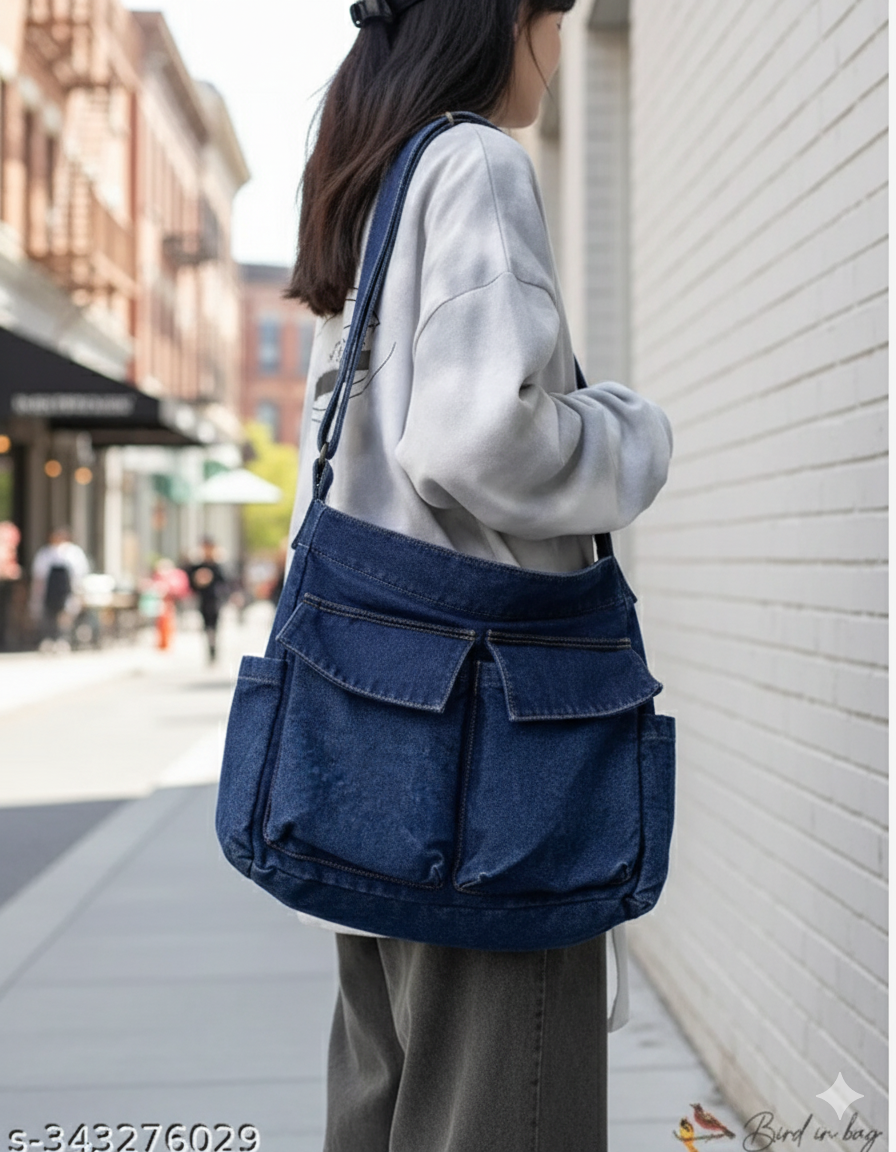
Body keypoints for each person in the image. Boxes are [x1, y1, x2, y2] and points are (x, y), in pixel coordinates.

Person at [285, 2, 673, 1148]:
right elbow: (477, 442)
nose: (555, 44)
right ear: (503, 20)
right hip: (490, 749)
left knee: (386, 1098)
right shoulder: (475, 162)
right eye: (552, 14)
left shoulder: (372, 178)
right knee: (510, 1102)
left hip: (369, 729)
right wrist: (629, 433)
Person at [29, 526, 89, 651]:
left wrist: (79, 593)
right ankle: (49, 639)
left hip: (67, 590)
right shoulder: (45, 553)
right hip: (49, 591)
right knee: (48, 616)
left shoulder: (73, 553)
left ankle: (63, 639)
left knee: (65, 617)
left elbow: (79, 574)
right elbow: (39, 576)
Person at [187, 537, 229, 662]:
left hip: (216, 599)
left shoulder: (217, 566)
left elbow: (224, 583)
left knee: (214, 625)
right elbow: (191, 583)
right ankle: (210, 647)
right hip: (203, 599)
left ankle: (214, 647)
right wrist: (198, 580)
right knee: (206, 625)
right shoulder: (197, 566)